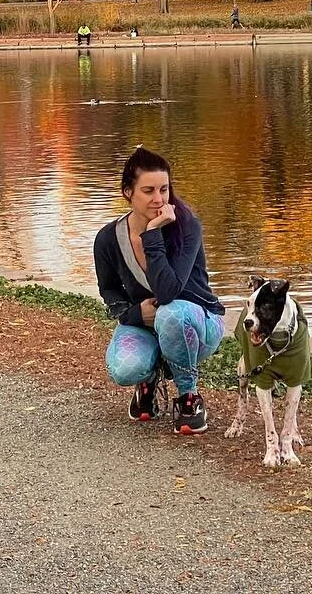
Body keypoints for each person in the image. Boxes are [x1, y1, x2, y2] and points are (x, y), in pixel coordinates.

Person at [94, 147, 225, 434]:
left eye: (164, 189)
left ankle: (188, 397)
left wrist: (152, 233)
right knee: (125, 369)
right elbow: (110, 293)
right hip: (146, 323)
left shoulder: (186, 226)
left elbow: (167, 292)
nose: (159, 199)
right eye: (148, 190)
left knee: (171, 314)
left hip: (197, 321)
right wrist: (135, 314)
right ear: (128, 192)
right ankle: (148, 379)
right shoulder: (107, 239)